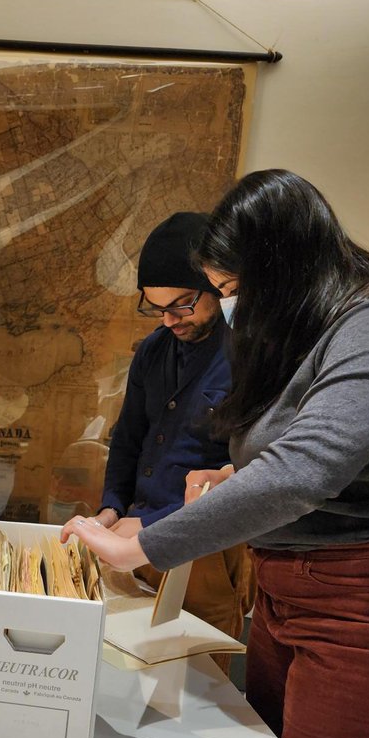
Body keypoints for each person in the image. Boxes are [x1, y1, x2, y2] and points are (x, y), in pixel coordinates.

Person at [63, 170, 369, 738]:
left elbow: (308, 469)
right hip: (284, 582)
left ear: (280, 266)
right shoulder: (313, 330)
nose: (229, 307)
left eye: (230, 290)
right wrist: (236, 473)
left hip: (354, 598)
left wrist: (142, 544)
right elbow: (306, 450)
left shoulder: (368, 326)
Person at [95, 212, 254, 668]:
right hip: (135, 532)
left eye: (182, 304)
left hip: (206, 548)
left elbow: (245, 474)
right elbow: (128, 439)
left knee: (198, 676)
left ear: (216, 286)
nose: (167, 320)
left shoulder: (248, 353)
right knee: (127, 666)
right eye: (155, 306)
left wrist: (151, 525)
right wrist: (111, 508)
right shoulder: (153, 350)